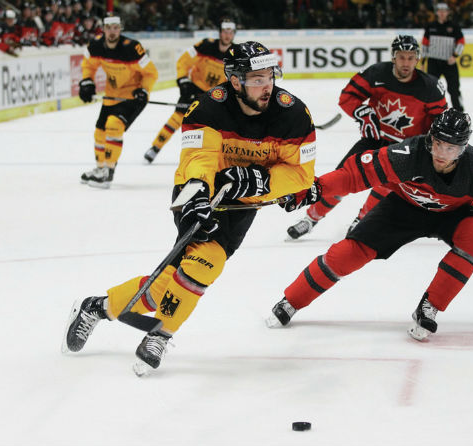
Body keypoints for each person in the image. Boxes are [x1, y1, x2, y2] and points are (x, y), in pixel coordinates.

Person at [62, 41, 317, 374]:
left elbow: (302, 173)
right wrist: (198, 193)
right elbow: (200, 159)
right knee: (205, 263)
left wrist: (265, 183)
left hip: (242, 205)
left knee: (172, 282)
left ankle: (97, 307)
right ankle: (160, 335)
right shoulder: (208, 107)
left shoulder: (293, 114)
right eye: (256, 78)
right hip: (198, 192)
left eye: (269, 75)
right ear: (236, 80)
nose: (266, 85)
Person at [267, 109, 473, 341]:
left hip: (454, 214)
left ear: (463, 149)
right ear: (430, 140)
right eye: (437, 144)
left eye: (451, 149)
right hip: (402, 209)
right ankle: (291, 300)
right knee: (348, 253)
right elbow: (353, 176)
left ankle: (430, 307)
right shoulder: (406, 156)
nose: (441, 154)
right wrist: (314, 189)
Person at [287, 35, 447, 240]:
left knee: (384, 187)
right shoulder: (376, 73)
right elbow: (347, 97)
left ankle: (362, 219)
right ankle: (310, 219)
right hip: (374, 139)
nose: (406, 62)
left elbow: (440, 123)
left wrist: (428, 148)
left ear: (417, 59)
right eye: (401, 57)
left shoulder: (430, 87)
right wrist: (361, 112)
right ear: (393, 57)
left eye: (410, 57)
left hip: (405, 149)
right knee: (340, 178)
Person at [77, 14, 158, 188]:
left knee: (114, 125)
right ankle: (99, 169)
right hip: (111, 95)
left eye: (115, 28)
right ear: (103, 29)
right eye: (108, 28)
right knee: (100, 131)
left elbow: (151, 72)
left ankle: (108, 171)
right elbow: (88, 65)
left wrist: (144, 90)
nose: (112, 32)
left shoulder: (132, 48)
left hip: (133, 97)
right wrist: (87, 82)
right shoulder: (96, 45)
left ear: (120, 29)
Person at [144, 19, 236, 163]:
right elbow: (184, 61)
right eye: (225, 31)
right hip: (194, 90)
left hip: (215, 95)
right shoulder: (205, 45)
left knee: (214, 128)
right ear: (220, 32)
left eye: (230, 32)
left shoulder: (235, 54)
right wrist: (183, 81)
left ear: (234, 34)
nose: (227, 35)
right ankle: (155, 148)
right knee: (176, 119)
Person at [421, 3, 465, 111]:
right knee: (430, 88)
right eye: (439, 11)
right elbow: (425, 45)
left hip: (449, 63)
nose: (441, 13)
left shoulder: (454, 27)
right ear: (436, 13)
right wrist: (423, 63)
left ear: (448, 12)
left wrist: (455, 56)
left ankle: (459, 112)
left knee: (454, 89)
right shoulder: (430, 27)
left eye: (444, 11)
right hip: (433, 62)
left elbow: (461, 42)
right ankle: (428, 111)